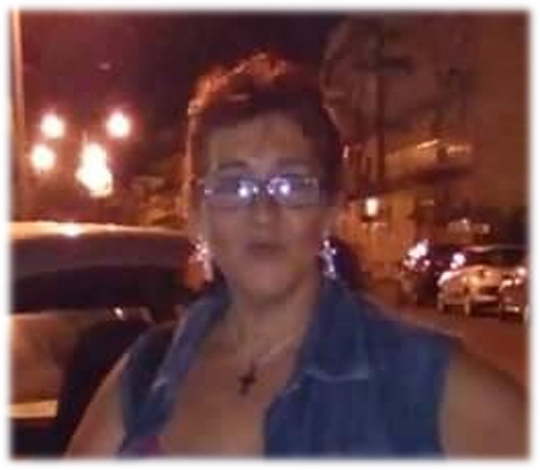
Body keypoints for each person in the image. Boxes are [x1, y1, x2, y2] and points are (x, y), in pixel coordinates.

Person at [67, 52, 527, 457]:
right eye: (234, 185)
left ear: (330, 210)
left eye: (291, 184)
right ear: (197, 214)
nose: (263, 212)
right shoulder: (147, 373)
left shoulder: (413, 378)